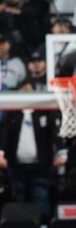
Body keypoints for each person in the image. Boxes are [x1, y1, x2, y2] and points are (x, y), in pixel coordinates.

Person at [0, 78, 65, 219]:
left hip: (40, 166)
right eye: (24, 90)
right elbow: (3, 134)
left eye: (29, 90)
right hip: (16, 166)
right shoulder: (12, 112)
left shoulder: (44, 112)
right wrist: (0, 153)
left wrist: (62, 152)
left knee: (41, 197)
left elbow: (55, 132)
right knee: (18, 199)